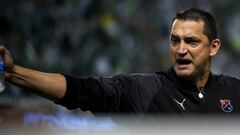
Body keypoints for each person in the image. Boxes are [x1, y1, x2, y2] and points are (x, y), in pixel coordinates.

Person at [1, 8, 240, 115]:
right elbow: (80, 91)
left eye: (191, 42)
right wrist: (14, 73)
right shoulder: (144, 90)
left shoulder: (234, 91)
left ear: (214, 47)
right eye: (174, 41)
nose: (181, 50)